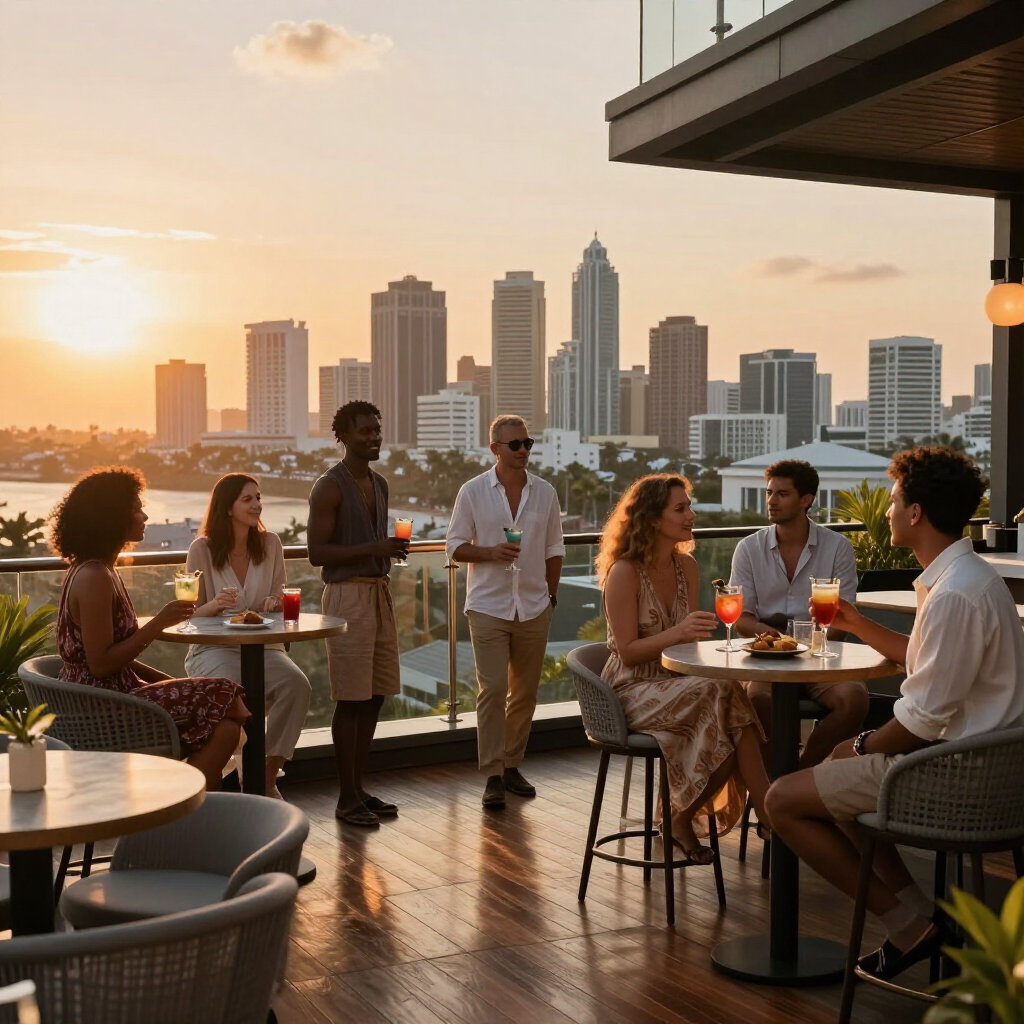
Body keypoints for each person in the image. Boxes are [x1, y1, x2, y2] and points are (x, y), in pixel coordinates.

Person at [766, 447, 1024, 981]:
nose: (886, 511)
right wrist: (857, 623)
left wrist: (857, 747)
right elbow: (930, 660)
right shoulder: (967, 579)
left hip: (954, 777)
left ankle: (907, 924)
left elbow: (924, 719)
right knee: (834, 781)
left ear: (916, 514)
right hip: (987, 768)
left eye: (893, 501)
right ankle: (921, 921)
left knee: (782, 799)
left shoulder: (954, 595)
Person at [599, 474, 770, 863]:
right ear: (652, 518)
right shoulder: (624, 573)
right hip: (630, 691)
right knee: (725, 697)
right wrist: (678, 632)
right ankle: (768, 809)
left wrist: (705, 647)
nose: (691, 515)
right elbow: (627, 652)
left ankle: (686, 817)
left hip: (679, 682)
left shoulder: (686, 567)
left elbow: (689, 647)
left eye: (688, 506)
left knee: (731, 699)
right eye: (680, 508)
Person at [50, 467, 250, 791]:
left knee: (226, 714)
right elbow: (100, 664)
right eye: (136, 509)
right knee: (228, 701)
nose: (144, 516)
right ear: (111, 517)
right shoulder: (95, 577)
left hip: (118, 694)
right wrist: (158, 623)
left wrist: (172, 682)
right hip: (103, 708)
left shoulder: (101, 569)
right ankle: (183, 805)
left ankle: (194, 808)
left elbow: (112, 658)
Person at [446, 415, 565, 809]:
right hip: (488, 605)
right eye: (515, 445)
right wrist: (490, 553)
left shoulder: (545, 492)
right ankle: (493, 774)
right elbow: (454, 546)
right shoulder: (473, 491)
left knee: (525, 693)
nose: (523, 451)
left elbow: (554, 549)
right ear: (495, 448)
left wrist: (550, 597)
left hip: (533, 606)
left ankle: (513, 765)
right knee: (493, 689)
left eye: (528, 444)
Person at [731, 459, 867, 768]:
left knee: (854, 700)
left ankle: (800, 774)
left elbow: (840, 621)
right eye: (769, 493)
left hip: (820, 657)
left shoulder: (837, 548)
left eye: (782, 494)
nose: (771, 501)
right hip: (766, 658)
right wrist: (778, 642)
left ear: (806, 500)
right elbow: (742, 620)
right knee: (757, 702)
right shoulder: (749, 549)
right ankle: (772, 787)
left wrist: (807, 647)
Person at [307, 401, 406, 827]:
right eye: (365, 431)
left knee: (375, 695)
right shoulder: (328, 487)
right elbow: (316, 553)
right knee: (350, 698)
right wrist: (375, 547)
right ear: (343, 436)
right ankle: (346, 798)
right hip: (346, 596)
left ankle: (359, 789)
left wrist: (384, 550)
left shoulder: (379, 483)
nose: (373, 437)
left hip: (378, 593)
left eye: (377, 430)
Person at [185, 474, 311, 798]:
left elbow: (281, 595)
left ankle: (265, 777)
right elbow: (187, 613)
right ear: (227, 508)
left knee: (297, 686)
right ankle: (246, 778)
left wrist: (274, 602)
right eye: (247, 499)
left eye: (258, 497)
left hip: (263, 645)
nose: (257, 505)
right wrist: (213, 605)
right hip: (213, 649)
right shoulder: (202, 549)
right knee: (234, 694)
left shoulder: (270, 544)